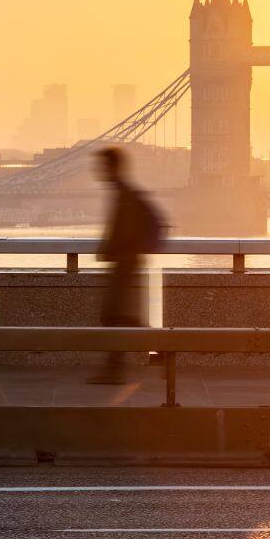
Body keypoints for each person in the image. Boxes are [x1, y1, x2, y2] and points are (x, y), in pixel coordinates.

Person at [88, 147, 165, 385]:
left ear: (113, 166)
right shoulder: (123, 192)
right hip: (125, 261)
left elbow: (126, 231)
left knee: (111, 316)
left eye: (102, 165)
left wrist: (113, 250)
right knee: (116, 316)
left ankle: (119, 367)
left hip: (125, 263)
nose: (98, 170)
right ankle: (159, 347)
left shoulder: (125, 194)